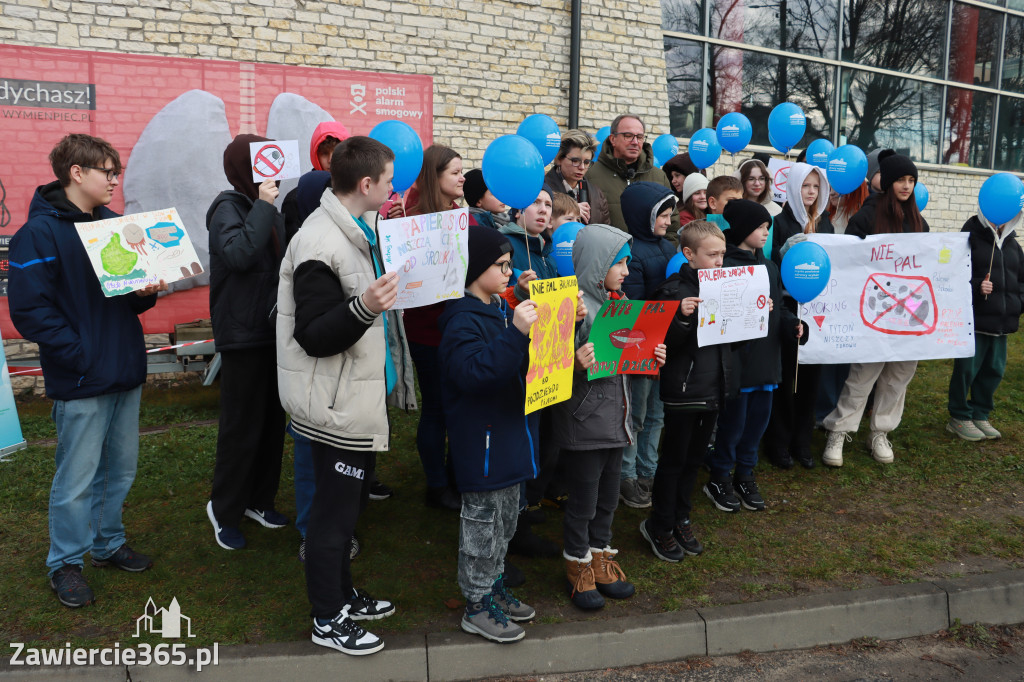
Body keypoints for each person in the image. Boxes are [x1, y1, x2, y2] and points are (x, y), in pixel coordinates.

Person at [8, 133, 165, 607]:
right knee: (76, 478)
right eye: (107, 172)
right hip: (81, 375)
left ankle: (107, 543)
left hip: (124, 368)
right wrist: (78, 352)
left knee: (119, 470)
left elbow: (132, 297)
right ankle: (66, 563)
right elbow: (30, 311)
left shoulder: (117, 226)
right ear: (76, 173)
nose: (115, 180)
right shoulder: (38, 234)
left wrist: (146, 291)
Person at [277, 135, 415, 655]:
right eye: (388, 180)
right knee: (331, 521)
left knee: (348, 510)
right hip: (331, 406)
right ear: (366, 184)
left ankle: (342, 594)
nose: (393, 187)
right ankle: (327, 618)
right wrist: (365, 306)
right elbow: (312, 335)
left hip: (351, 398)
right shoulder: (320, 244)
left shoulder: (358, 228)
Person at [438, 225, 539, 643]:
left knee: (505, 524)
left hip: (507, 440)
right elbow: (476, 374)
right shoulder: (461, 320)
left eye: (509, 263)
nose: (508, 271)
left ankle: (494, 586)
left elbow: (518, 363)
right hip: (481, 447)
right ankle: (476, 604)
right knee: (482, 527)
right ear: (475, 268)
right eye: (500, 265)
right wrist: (516, 331)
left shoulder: (497, 309)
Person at [553, 223, 661, 607]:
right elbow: (548, 366)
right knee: (583, 500)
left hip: (616, 420)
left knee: (608, 498)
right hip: (584, 422)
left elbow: (624, 359)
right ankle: (577, 562)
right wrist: (575, 364)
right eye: (621, 263)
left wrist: (651, 357)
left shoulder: (620, 305)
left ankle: (600, 555)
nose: (627, 271)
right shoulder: (572, 305)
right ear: (600, 263)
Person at [206, 134, 288, 551]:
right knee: (241, 427)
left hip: (274, 332)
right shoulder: (227, 208)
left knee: (273, 422)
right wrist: (264, 205)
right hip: (242, 334)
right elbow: (239, 255)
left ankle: (259, 499)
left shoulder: (266, 208)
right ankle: (225, 510)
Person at [822, 151, 929, 466]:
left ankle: (880, 432)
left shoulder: (919, 222)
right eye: (901, 180)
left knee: (899, 376)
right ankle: (838, 433)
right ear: (888, 181)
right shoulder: (867, 217)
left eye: (912, 180)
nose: (907, 186)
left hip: (909, 314)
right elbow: (849, 262)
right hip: (875, 311)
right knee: (862, 375)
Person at [640, 221, 733, 562]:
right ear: (689, 254)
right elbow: (659, 344)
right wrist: (680, 318)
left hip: (713, 387)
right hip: (683, 389)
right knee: (674, 461)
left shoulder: (725, 286)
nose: (719, 261)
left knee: (694, 460)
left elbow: (729, 341)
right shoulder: (673, 290)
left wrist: (754, 314)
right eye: (712, 255)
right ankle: (659, 525)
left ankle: (680, 518)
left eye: (722, 254)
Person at [706, 200, 804, 513]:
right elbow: (719, 314)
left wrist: (793, 325)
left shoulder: (771, 267)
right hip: (739, 364)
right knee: (733, 424)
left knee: (757, 424)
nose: (765, 233)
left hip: (767, 363)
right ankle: (720, 475)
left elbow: (781, 308)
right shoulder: (725, 268)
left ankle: (746, 473)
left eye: (767, 227)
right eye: (759, 227)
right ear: (742, 229)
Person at [387, 144, 471, 511]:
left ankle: (457, 476)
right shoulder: (408, 217)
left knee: (461, 406)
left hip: (460, 328)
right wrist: (392, 229)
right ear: (435, 178)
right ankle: (437, 486)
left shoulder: (458, 214)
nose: (463, 178)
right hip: (428, 332)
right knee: (437, 407)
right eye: (455, 172)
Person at [764, 163, 833, 470]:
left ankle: (802, 442)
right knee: (786, 379)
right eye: (805, 186)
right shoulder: (779, 223)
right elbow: (774, 262)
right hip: (789, 310)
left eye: (816, 187)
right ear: (793, 187)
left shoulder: (827, 224)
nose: (810, 192)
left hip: (819, 312)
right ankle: (779, 442)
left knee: (810, 381)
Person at [619, 182, 676, 509]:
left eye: (670, 215)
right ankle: (627, 474)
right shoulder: (631, 252)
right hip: (641, 347)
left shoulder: (668, 248)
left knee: (657, 413)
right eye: (663, 215)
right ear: (644, 216)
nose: (668, 222)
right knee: (635, 414)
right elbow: (635, 304)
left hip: (665, 345)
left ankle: (648, 469)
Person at [946, 202, 1023, 441]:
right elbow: (953, 276)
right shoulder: (969, 239)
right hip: (975, 322)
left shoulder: (1013, 245)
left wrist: (1018, 304)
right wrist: (978, 285)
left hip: (1002, 324)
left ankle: (980, 413)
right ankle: (959, 416)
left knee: (994, 370)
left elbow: (1021, 280)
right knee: (967, 370)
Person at [586, 114, 679, 236]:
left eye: (640, 137)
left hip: (651, 254)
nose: (635, 142)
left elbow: (672, 224)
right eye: (628, 136)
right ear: (613, 139)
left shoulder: (659, 177)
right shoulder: (590, 174)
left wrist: (662, 253)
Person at [283, 121, 350, 238]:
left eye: (337, 152)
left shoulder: (358, 192)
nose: (330, 159)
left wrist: (392, 218)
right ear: (315, 155)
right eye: (324, 153)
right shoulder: (296, 198)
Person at [544, 129, 610, 225]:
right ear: (559, 159)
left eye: (587, 162)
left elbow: (605, 231)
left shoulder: (597, 194)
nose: (582, 167)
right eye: (575, 161)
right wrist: (571, 209)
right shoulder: (542, 188)